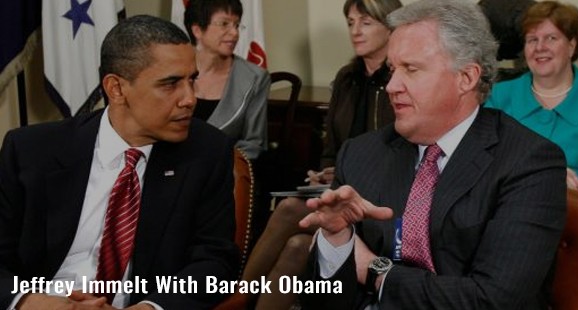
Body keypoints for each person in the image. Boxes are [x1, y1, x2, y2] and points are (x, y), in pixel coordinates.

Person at [299, 0, 567, 308]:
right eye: (391, 69)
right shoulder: (360, 154)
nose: (392, 86)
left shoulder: (528, 163)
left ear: (466, 78)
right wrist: (335, 242)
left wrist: (373, 270)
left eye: (411, 70)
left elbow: (492, 301)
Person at [0, 15, 238, 309]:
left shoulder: (207, 152)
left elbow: (214, 262)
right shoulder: (31, 150)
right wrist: (29, 301)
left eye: (192, 80)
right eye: (170, 84)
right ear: (116, 88)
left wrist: (150, 308)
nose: (190, 99)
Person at [224, 1, 401, 309]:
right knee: (294, 226)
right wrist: (325, 172)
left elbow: (401, 155)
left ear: (390, 26)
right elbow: (331, 149)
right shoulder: (347, 80)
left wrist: (349, 173)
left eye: (366, 23)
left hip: (381, 202)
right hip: (339, 194)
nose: (355, 31)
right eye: (350, 23)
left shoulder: (401, 83)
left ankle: (234, 297)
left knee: (293, 224)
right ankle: (236, 297)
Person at [485, 1, 578, 210]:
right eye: (532, 40)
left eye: (551, 38)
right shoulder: (499, 96)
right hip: (507, 210)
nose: (540, 47)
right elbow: (481, 160)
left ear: (572, 45)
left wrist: (575, 188)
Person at [183, 0, 269, 160]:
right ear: (197, 30)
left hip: (224, 174)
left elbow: (254, 144)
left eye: (237, 25)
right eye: (224, 24)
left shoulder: (255, 77)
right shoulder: (171, 71)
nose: (235, 33)